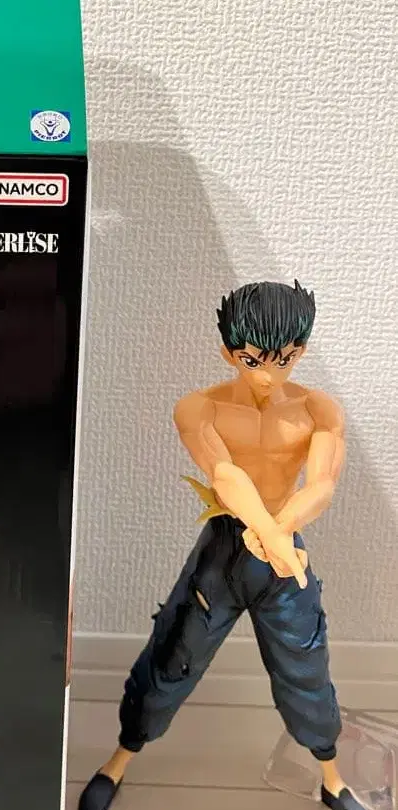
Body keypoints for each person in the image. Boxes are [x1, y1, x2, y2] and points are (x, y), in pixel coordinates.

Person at [79, 281, 365, 810]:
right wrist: (268, 533)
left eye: (284, 359)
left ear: (301, 350)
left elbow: (322, 484)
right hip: (226, 548)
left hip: (283, 554)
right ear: (228, 353)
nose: (267, 375)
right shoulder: (199, 408)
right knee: (174, 651)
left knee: (305, 665)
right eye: (252, 360)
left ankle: (332, 778)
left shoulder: (319, 410)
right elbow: (225, 474)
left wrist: (280, 531)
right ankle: (118, 759)